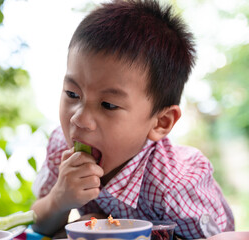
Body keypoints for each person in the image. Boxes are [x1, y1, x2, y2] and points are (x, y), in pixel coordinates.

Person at [30, 0, 235, 239]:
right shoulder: (61, 147)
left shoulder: (175, 185)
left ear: (161, 122)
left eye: (108, 105)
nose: (80, 119)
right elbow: (38, 225)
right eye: (72, 94)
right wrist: (59, 199)